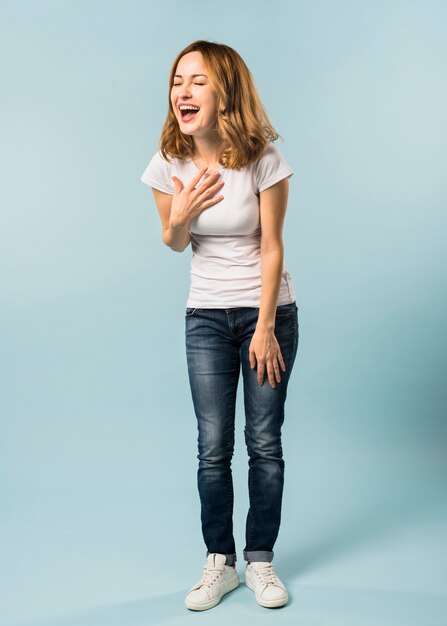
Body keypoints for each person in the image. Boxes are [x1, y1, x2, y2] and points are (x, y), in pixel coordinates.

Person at [140, 40, 299, 611]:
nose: (183, 90)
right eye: (178, 80)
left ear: (225, 89)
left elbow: (272, 247)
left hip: (267, 313)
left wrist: (264, 327)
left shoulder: (264, 159)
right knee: (212, 447)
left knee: (265, 443)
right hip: (205, 316)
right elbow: (177, 242)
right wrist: (179, 217)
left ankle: (260, 561)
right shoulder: (167, 163)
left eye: (197, 80)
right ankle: (220, 564)